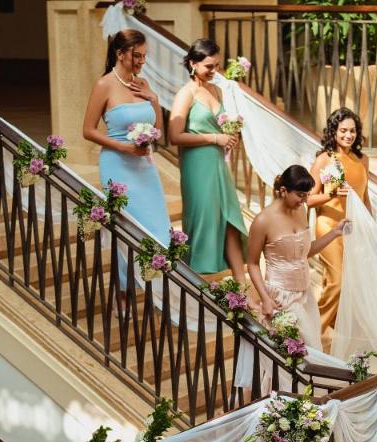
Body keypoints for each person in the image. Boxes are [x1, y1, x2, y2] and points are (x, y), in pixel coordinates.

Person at [81, 29, 170, 293]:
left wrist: (153, 99)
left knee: (157, 227)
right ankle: (122, 290)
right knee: (127, 228)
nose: (142, 62)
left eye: (144, 56)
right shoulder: (104, 85)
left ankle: (155, 288)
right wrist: (124, 147)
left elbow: (160, 131)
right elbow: (88, 130)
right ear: (120, 54)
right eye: (137, 55)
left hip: (144, 167)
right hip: (117, 165)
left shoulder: (142, 84)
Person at [168, 38, 248, 280]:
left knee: (230, 219)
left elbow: (220, 129)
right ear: (193, 63)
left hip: (217, 163)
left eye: (217, 66)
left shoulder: (218, 90)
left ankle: (241, 285)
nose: (215, 72)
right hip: (197, 166)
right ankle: (194, 283)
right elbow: (174, 135)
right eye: (209, 67)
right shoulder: (186, 94)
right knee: (202, 221)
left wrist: (231, 136)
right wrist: (214, 138)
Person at [244, 165, 348, 346]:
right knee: (307, 351)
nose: (305, 200)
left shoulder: (301, 210)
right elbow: (252, 264)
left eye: (307, 195)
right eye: (301, 195)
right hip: (280, 297)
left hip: (305, 295)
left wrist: (335, 233)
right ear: (284, 191)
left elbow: (304, 253)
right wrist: (266, 299)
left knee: (310, 349)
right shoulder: (263, 221)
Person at [308, 108, 372, 348]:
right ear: (333, 131)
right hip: (328, 226)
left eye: (352, 130)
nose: (348, 135)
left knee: (342, 284)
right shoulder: (324, 159)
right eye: (343, 130)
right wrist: (330, 194)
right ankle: (316, 331)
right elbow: (308, 199)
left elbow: (366, 199)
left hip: (352, 230)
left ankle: (330, 330)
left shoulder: (363, 160)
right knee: (337, 282)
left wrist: (370, 229)